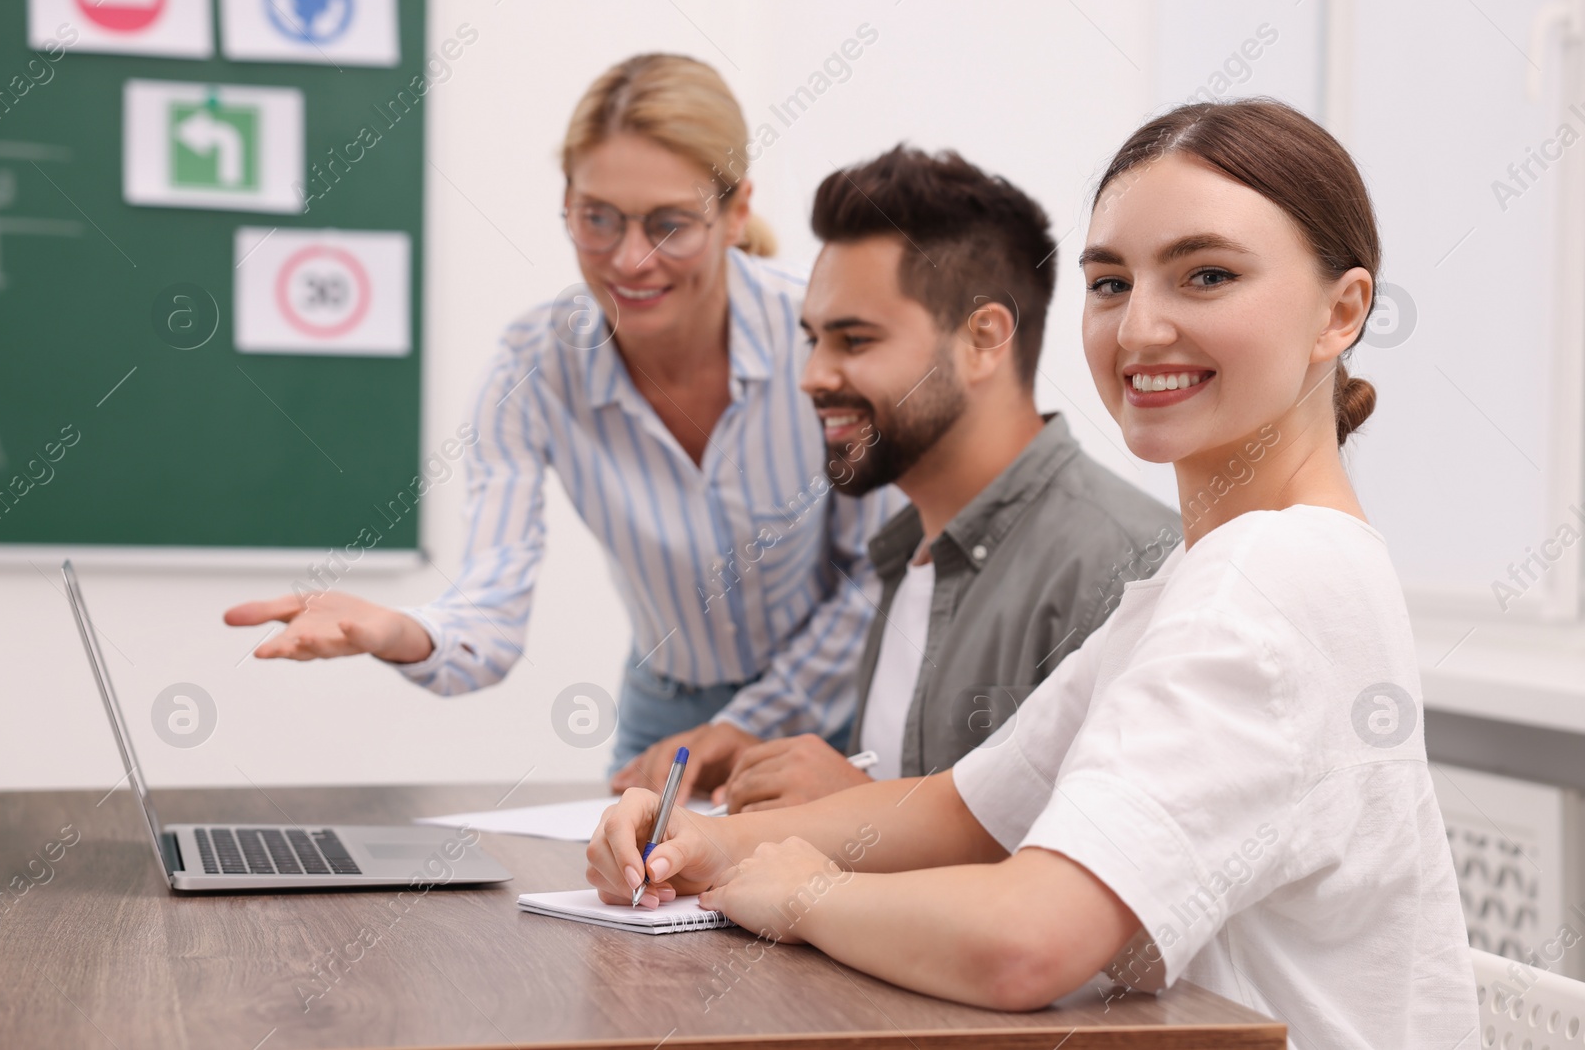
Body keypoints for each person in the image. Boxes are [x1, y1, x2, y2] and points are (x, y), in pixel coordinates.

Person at [586, 98, 1478, 1046]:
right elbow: (964, 808)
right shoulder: (1206, 575)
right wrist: (708, 840)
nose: (1139, 329)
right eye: (1109, 283)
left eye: (1206, 275)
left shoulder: (1267, 580)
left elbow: (1029, 942)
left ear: (1340, 312)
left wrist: (803, 891)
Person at [223, 53, 895, 781]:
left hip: (836, 704)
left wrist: (745, 724)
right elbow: (490, 609)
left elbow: (875, 576)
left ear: (735, 214)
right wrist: (400, 630)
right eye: (597, 219)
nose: (630, 261)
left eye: (670, 223)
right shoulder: (534, 366)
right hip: (666, 708)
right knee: (626, 893)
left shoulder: (820, 332)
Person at [717, 145, 1179, 813]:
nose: (812, 375)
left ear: (983, 339)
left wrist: (856, 807)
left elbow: (1110, 881)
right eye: (811, 339)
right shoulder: (906, 560)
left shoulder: (1130, 568)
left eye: (854, 341)